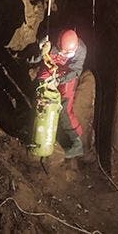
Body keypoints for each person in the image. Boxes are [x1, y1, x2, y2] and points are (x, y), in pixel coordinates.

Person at [31, 29, 87, 159]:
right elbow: (34, 59)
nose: (65, 54)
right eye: (63, 51)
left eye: (68, 53)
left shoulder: (81, 49)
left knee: (65, 109)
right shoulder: (50, 43)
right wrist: (40, 49)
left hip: (67, 75)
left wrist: (59, 80)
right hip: (51, 68)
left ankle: (77, 143)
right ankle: (38, 126)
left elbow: (76, 71)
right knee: (42, 95)